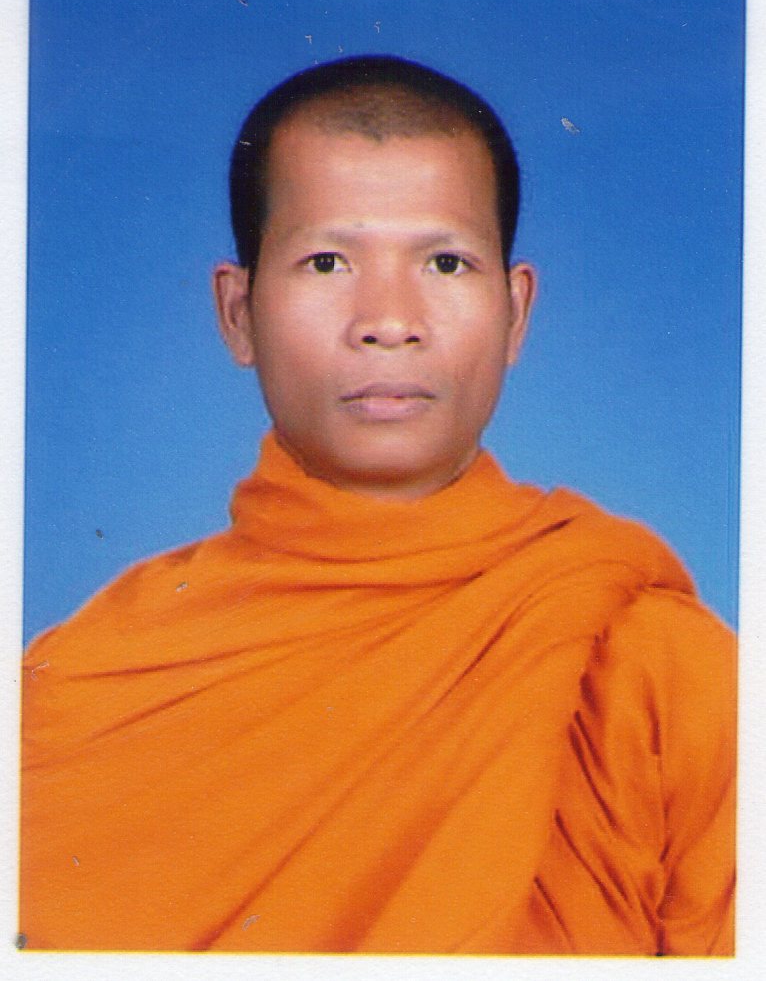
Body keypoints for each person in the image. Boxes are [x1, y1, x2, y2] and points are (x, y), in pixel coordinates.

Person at [20, 55, 735, 956]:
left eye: (444, 261)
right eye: (327, 261)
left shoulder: (667, 675)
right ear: (238, 313)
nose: (389, 320)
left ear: (516, 312)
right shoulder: (83, 683)